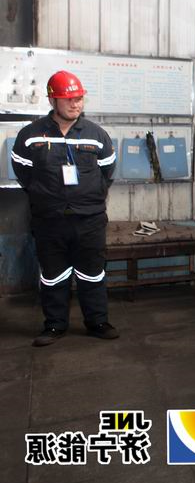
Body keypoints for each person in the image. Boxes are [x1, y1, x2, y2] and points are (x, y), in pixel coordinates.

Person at [11, 70, 118, 347]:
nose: (75, 104)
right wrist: (44, 195)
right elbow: (22, 170)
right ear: (52, 100)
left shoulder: (96, 135)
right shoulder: (30, 135)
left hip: (89, 220)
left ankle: (97, 322)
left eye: (79, 98)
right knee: (53, 275)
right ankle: (54, 326)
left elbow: (107, 171)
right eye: (68, 99)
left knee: (93, 273)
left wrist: (88, 197)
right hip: (49, 220)